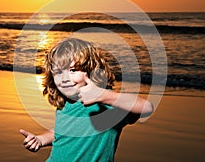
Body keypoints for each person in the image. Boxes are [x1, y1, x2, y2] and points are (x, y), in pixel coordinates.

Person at [20, 38, 153, 161]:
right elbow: (63, 131)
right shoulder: (65, 103)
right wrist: (41, 139)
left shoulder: (109, 104)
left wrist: (105, 96)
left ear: (91, 70)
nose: (65, 78)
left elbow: (147, 108)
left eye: (73, 70)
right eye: (59, 72)